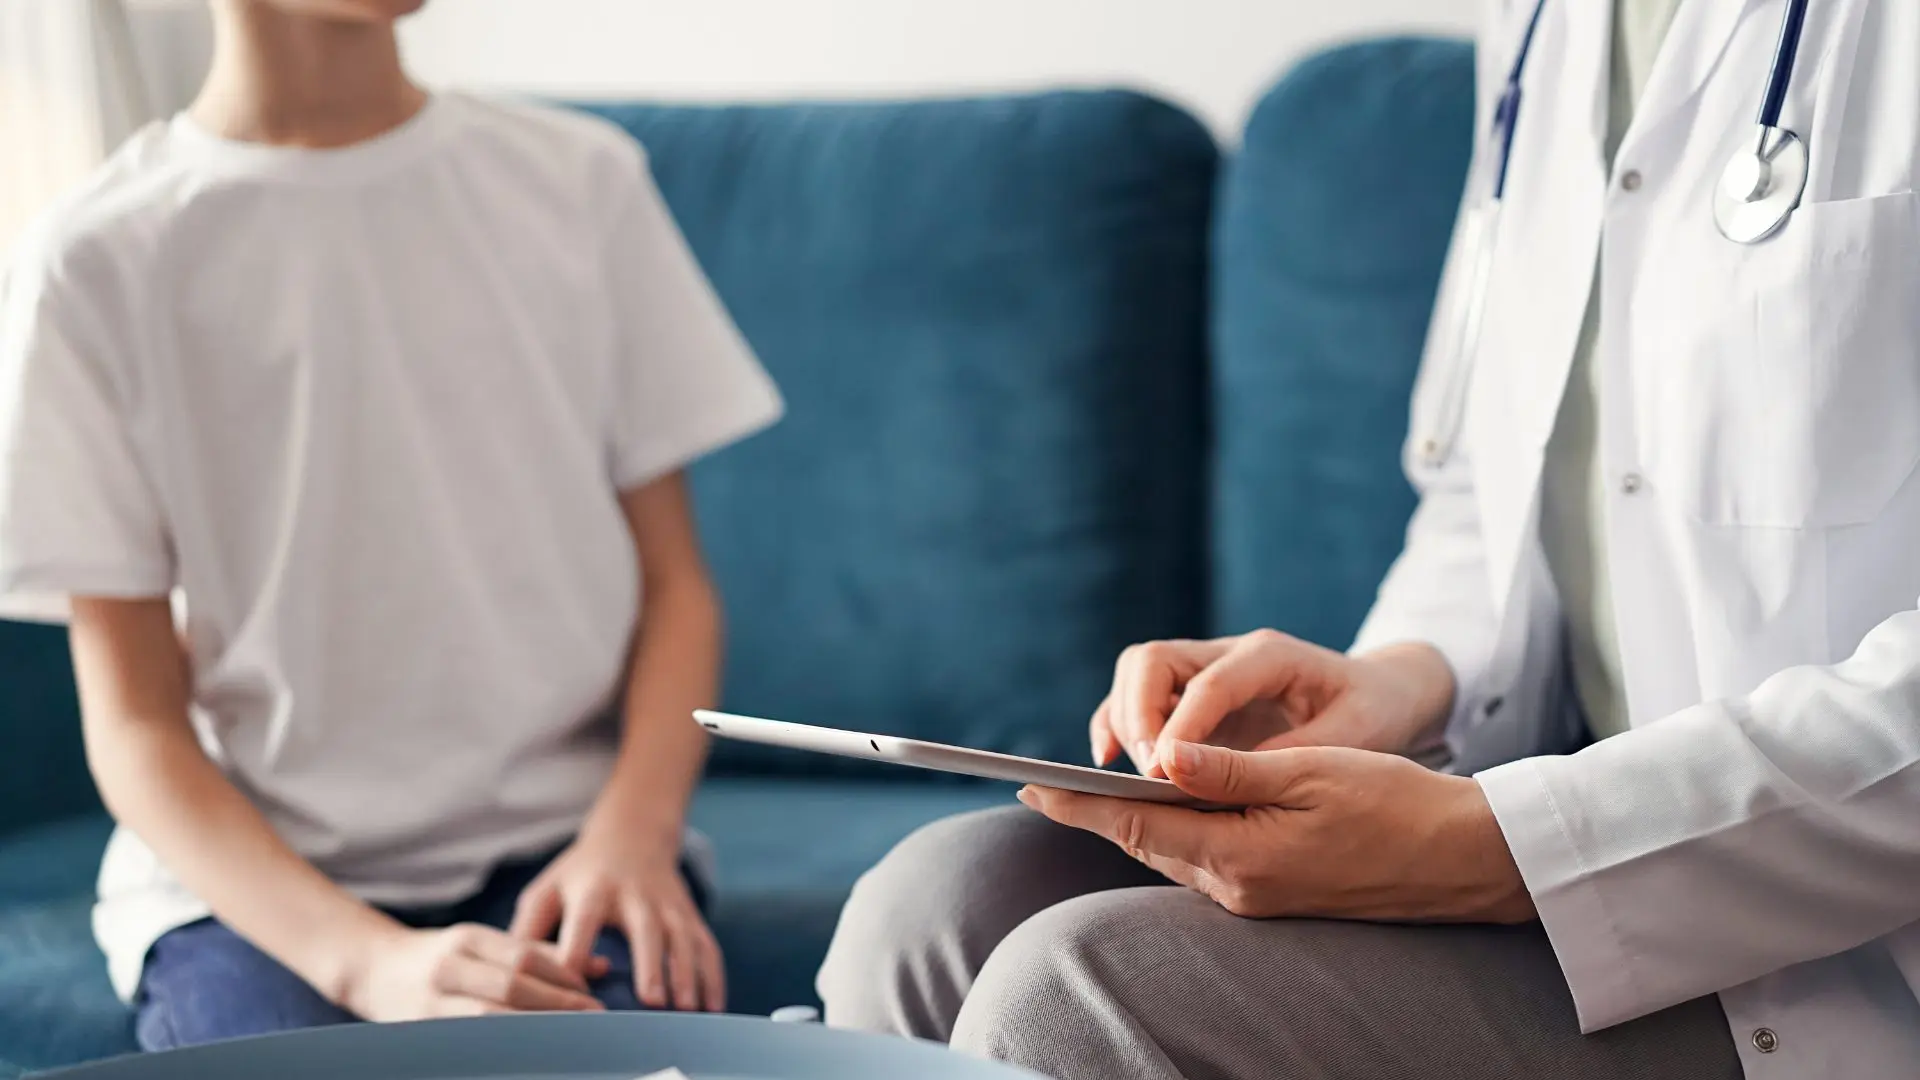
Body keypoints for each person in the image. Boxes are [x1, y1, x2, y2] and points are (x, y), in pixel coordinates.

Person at [819, 1, 1920, 1078]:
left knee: (1072, 1004)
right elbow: (1489, 492)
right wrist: (1398, 685)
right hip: (1562, 821)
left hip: (1847, 956)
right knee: (938, 914)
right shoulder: (1546, 22)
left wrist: (1484, 851)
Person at [0, 0, 782, 1051]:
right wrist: (366, 960)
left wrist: (633, 837)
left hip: (568, 853)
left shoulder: (579, 180)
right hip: (254, 898)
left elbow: (676, 589)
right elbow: (134, 725)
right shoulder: (95, 259)